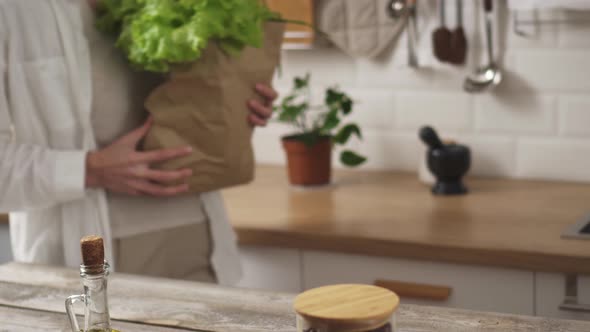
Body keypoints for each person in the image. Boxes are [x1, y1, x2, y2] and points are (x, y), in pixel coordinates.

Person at [0, 0, 277, 285]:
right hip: (89, 255)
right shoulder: (12, 10)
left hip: (198, 237)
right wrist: (88, 169)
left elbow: (194, 103)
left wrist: (239, 100)